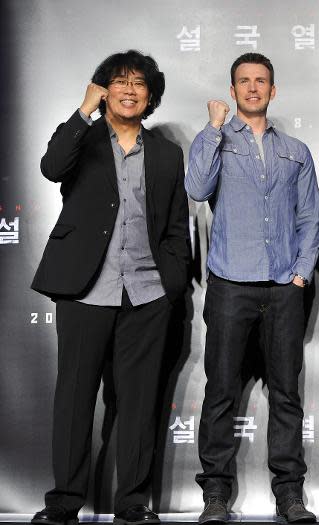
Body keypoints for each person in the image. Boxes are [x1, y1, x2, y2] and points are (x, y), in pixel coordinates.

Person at [30, 50, 191, 525]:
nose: (129, 90)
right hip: (85, 290)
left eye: (139, 83)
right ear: (103, 90)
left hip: (146, 293)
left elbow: (177, 226)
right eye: (119, 81)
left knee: (140, 403)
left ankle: (133, 502)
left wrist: (171, 283)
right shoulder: (83, 139)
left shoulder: (165, 152)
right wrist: (83, 111)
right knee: (75, 399)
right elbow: (51, 167)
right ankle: (63, 503)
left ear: (150, 96)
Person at [185, 52, 319, 524]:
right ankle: (216, 497)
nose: (253, 88)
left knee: (286, 395)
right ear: (233, 89)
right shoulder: (217, 141)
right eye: (244, 81)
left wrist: (301, 272)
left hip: (284, 287)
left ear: (273, 90)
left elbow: (309, 217)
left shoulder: (296, 151)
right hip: (230, 285)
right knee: (221, 391)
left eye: (261, 81)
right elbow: (198, 188)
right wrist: (212, 128)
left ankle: (290, 495)